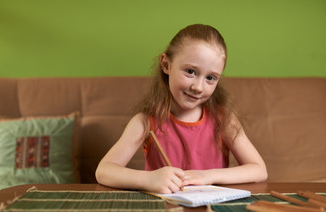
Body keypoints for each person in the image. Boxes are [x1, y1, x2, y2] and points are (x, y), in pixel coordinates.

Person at [95, 24, 268, 194]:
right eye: (191, 71)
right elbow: (104, 171)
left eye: (210, 77)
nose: (198, 87)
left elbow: (259, 170)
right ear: (166, 65)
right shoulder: (145, 121)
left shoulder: (224, 119)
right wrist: (149, 180)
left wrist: (208, 176)